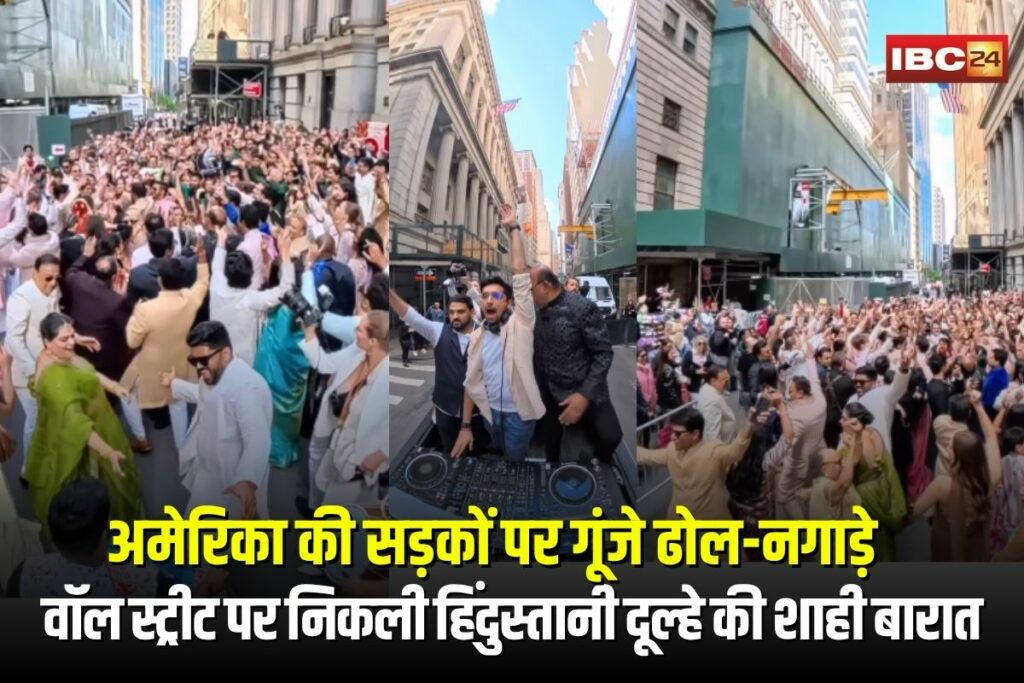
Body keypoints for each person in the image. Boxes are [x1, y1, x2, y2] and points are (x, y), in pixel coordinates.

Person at [26, 313, 140, 538]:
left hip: (95, 423)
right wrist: (107, 451)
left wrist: (114, 387)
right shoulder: (54, 380)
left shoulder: (58, 355)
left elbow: (88, 372)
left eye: (72, 336)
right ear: (47, 342)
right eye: (64, 339)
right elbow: (76, 423)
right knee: (90, 498)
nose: (71, 342)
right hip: (81, 440)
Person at [453, 204, 545, 461]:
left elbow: (520, 273)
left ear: (508, 301)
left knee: (515, 461)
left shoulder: (522, 323)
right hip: (489, 413)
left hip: (520, 416)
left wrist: (514, 227)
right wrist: (466, 425)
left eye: (496, 296)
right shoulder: (478, 336)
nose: (490, 301)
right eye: (485, 297)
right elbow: (471, 382)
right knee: (498, 452)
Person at [164, 321, 272, 519]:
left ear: (225, 354)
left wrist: (246, 481)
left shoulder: (247, 388)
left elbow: (258, 439)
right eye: (193, 360)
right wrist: (175, 385)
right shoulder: (213, 374)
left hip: (232, 478)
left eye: (203, 359)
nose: (198, 367)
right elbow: (209, 398)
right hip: (208, 470)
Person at [120, 237, 210, 452]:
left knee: (125, 391)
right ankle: (183, 448)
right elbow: (203, 283)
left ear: (159, 281)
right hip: (180, 359)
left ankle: (141, 438)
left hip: (150, 364)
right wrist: (202, 258)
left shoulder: (146, 309)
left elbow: (132, 340)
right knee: (177, 402)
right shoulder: (190, 299)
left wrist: (134, 313)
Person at [530, 264, 621, 462]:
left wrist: (584, 396)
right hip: (550, 393)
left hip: (586, 388)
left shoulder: (583, 307)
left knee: (611, 436)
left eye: (530, 289)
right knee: (551, 446)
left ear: (545, 286)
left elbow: (603, 353)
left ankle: (593, 467)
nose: (529, 294)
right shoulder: (535, 313)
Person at [299, 311, 389, 510]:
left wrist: (381, 456)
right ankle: (314, 510)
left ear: (373, 341)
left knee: (339, 514)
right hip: (337, 442)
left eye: (359, 329)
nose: (355, 332)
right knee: (323, 482)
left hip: (358, 462)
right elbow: (325, 364)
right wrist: (310, 333)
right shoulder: (358, 351)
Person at [390, 288, 481, 457]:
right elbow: (411, 316)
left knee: (475, 454)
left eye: (461, 312)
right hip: (445, 411)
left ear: (472, 312)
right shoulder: (438, 331)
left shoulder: (486, 334)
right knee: (449, 452)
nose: (455, 316)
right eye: (452, 312)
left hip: (478, 413)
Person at [913, 390, 1001, 561]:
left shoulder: (942, 485)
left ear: (956, 458)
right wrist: (978, 406)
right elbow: (991, 436)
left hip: (946, 539)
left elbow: (917, 510)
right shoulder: (992, 477)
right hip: (976, 539)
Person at [637, 406, 756, 519]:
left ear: (695, 434)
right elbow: (648, 456)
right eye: (672, 432)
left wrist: (749, 427)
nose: (672, 437)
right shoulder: (672, 450)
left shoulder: (713, 452)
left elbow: (735, 451)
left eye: (678, 433)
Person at [5, 254, 65, 479]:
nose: (52, 284)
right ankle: (28, 470)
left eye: (56, 279)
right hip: (26, 374)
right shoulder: (21, 298)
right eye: (47, 278)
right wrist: (33, 371)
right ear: (34, 274)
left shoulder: (53, 290)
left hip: (49, 366)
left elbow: (56, 321)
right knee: (36, 417)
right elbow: (14, 340)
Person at [209, 227, 295, 365]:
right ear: (250, 276)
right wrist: (285, 252)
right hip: (244, 366)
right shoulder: (251, 300)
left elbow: (217, 265)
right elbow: (286, 289)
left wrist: (221, 240)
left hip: (215, 362)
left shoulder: (216, 286)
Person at [833, 402, 907, 561]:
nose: (840, 421)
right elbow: (880, 465)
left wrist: (851, 444)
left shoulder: (855, 441)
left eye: (844, 418)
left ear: (854, 422)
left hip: (865, 496)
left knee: (870, 539)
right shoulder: (874, 433)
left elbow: (864, 465)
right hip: (882, 489)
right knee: (883, 535)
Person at [63, 237, 133, 384]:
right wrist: (124, 298)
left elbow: (71, 271)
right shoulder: (116, 301)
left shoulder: (79, 281)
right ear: (114, 276)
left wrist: (85, 255)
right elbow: (128, 330)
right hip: (105, 357)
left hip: (79, 348)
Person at [697, 363, 736, 443]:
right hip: (723, 447)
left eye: (728, 378)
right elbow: (712, 434)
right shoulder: (712, 402)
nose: (727, 382)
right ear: (713, 380)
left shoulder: (708, 388)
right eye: (724, 379)